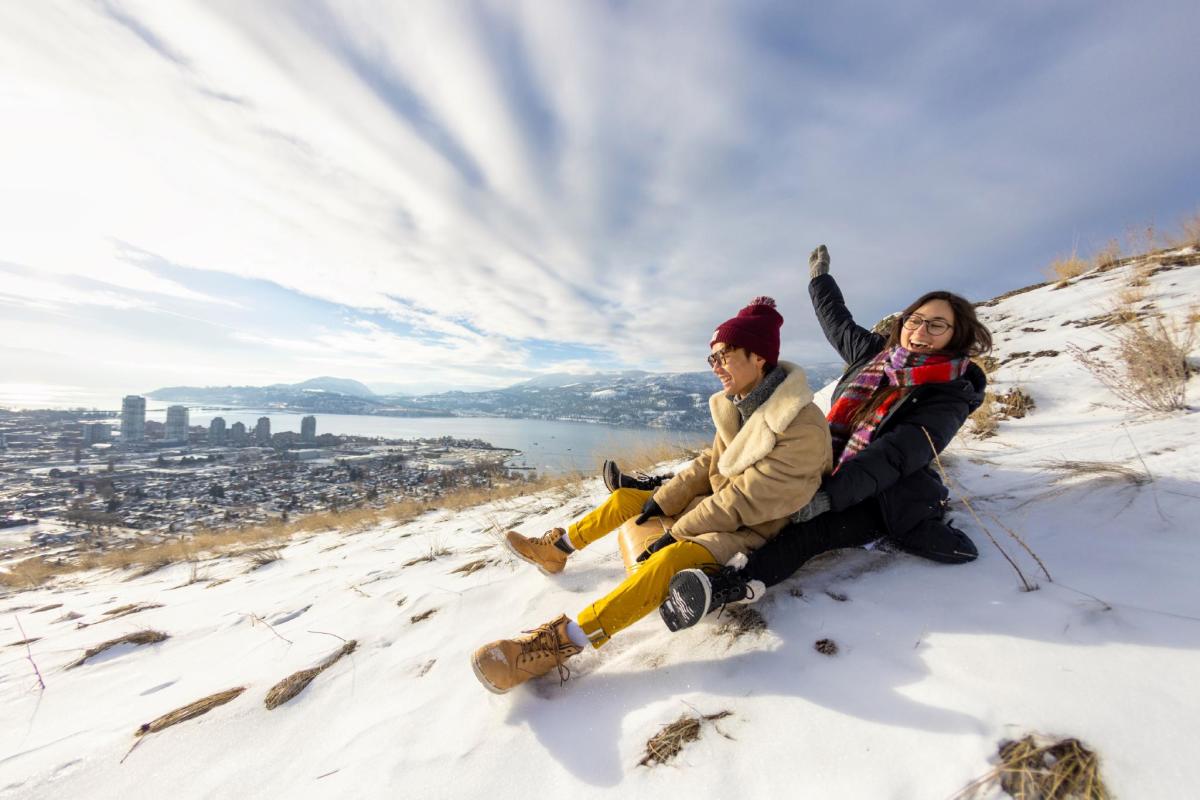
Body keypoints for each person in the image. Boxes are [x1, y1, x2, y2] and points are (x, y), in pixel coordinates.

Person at [471, 297, 831, 693]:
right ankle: (557, 549)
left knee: (670, 559)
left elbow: (747, 500)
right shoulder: (743, 404)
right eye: (711, 359)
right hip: (716, 510)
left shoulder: (800, 426)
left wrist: (676, 531)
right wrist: (663, 499)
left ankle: (560, 643)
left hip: (752, 530)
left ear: (759, 357)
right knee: (629, 500)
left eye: (723, 356)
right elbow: (711, 461)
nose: (716, 367)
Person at [658, 245, 992, 631]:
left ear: (956, 334)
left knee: (807, 534)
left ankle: (726, 587)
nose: (920, 332)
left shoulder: (949, 392)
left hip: (881, 489)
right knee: (753, 472)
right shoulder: (875, 356)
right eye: (915, 320)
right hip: (827, 461)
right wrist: (819, 279)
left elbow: (896, 454)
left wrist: (828, 498)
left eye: (937, 325)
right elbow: (838, 322)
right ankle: (661, 491)